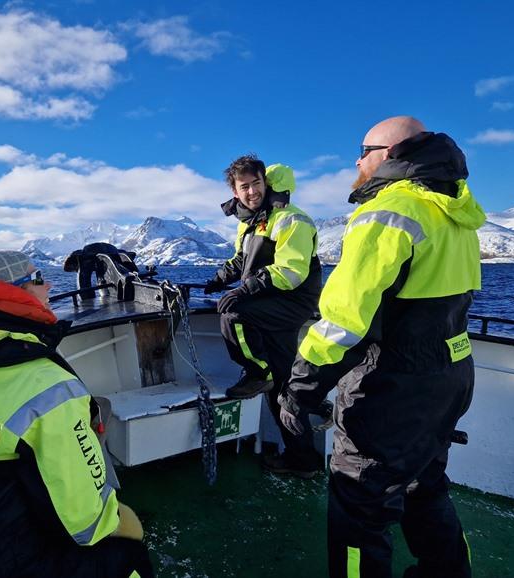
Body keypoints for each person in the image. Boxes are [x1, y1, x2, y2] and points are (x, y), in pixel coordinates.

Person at [278, 116, 484, 578]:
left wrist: (299, 391)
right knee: (425, 485)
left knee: (359, 509)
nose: (356, 159)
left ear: (390, 155)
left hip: (392, 388)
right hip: (448, 378)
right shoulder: (455, 213)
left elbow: (343, 321)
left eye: (363, 148)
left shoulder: (387, 213)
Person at [0, 250, 154, 578]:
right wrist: (121, 521)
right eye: (36, 279)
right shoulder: (47, 384)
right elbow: (85, 523)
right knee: (128, 555)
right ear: (10, 292)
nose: (48, 285)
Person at [204, 154, 322, 478]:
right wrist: (218, 279)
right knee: (283, 389)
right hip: (268, 301)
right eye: (244, 187)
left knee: (233, 314)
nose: (252, 191)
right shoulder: (250, 222)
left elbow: (291, 271)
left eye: (256, 183)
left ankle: (257, 371)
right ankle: (304, 461)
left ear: (265, 183)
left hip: (291, 299)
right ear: (235, 191)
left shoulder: (290, 219)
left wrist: (242, 291)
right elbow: (241, 261)